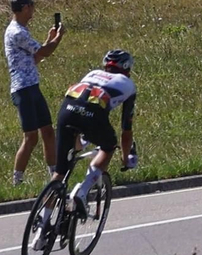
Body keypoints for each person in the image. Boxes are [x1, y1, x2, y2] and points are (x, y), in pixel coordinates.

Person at [54, 50, 139, 219]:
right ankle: (83, 191)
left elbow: (80, 103)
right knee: (108, 145)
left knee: (59, 172)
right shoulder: (129, 85)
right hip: (92, 115)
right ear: (127, 68)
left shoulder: (92, 73)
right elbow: (126, 130)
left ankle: (42, 224)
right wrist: (124, 156)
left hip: (67, 111)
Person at [4, 0, 64, 186]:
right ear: (25, 8)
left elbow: (36, 57)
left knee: (47, 131)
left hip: (32, 86)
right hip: (23, 89)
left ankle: (54, 174)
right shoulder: (17, 32)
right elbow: (45, 53)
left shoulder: (22, 30)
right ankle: (17, 180)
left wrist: (49, 39)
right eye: (32, 6)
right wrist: (58, 38)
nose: (34, 11)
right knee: (31, 137)